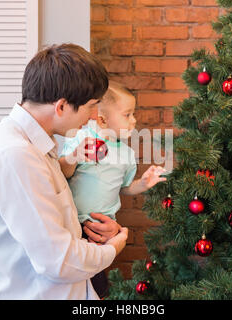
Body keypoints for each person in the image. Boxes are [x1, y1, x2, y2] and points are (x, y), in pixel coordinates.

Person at [0, 44, 128, 300]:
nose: (94, 117)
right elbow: (59, 260)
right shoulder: (15, 155)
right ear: (62, 106)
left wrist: (97, 236)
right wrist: (112, 249)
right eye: (90, 106)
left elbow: (55, 224)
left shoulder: (37, 145)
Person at [58, 81, 167, 297]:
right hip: (73, 224)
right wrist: (75, 155)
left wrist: (143, 184)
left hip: (102, 229)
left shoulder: (126, 154)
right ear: (102, 119)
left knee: (95, 284)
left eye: (133, 114)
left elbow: (125, 188)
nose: (134, 121)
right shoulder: (83, 139)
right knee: (80, 283)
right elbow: (62, 172)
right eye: (127, 115)